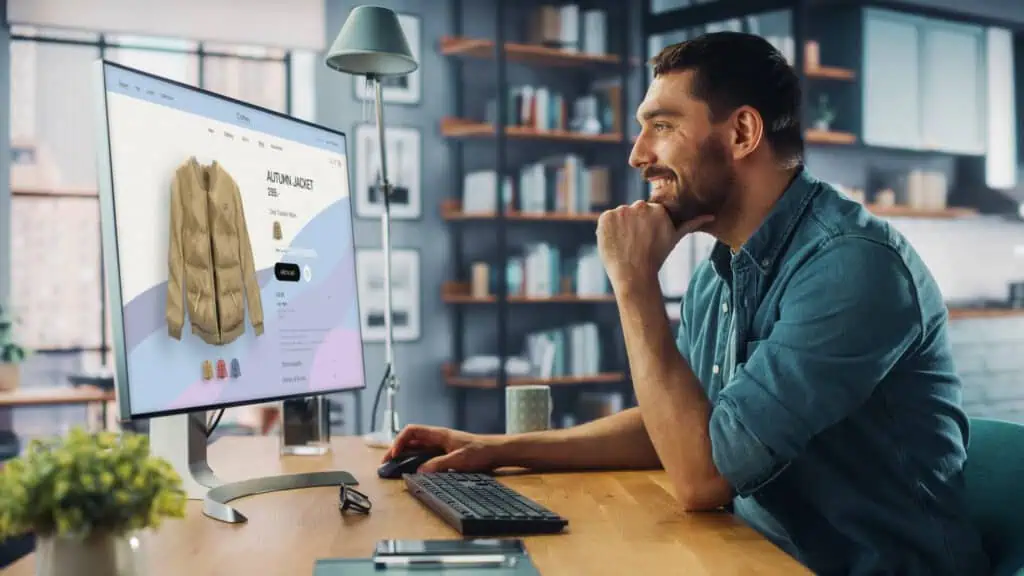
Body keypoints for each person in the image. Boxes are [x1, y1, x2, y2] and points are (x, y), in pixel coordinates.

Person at [384, 32, 989, 575]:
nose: (637, 153)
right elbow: (682, 429)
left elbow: (702, 475)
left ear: (743, 133)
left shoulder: (850, 267)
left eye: (663, 125)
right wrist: (494, 450)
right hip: (755, 555)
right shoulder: (721, 267)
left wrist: (633, 282)